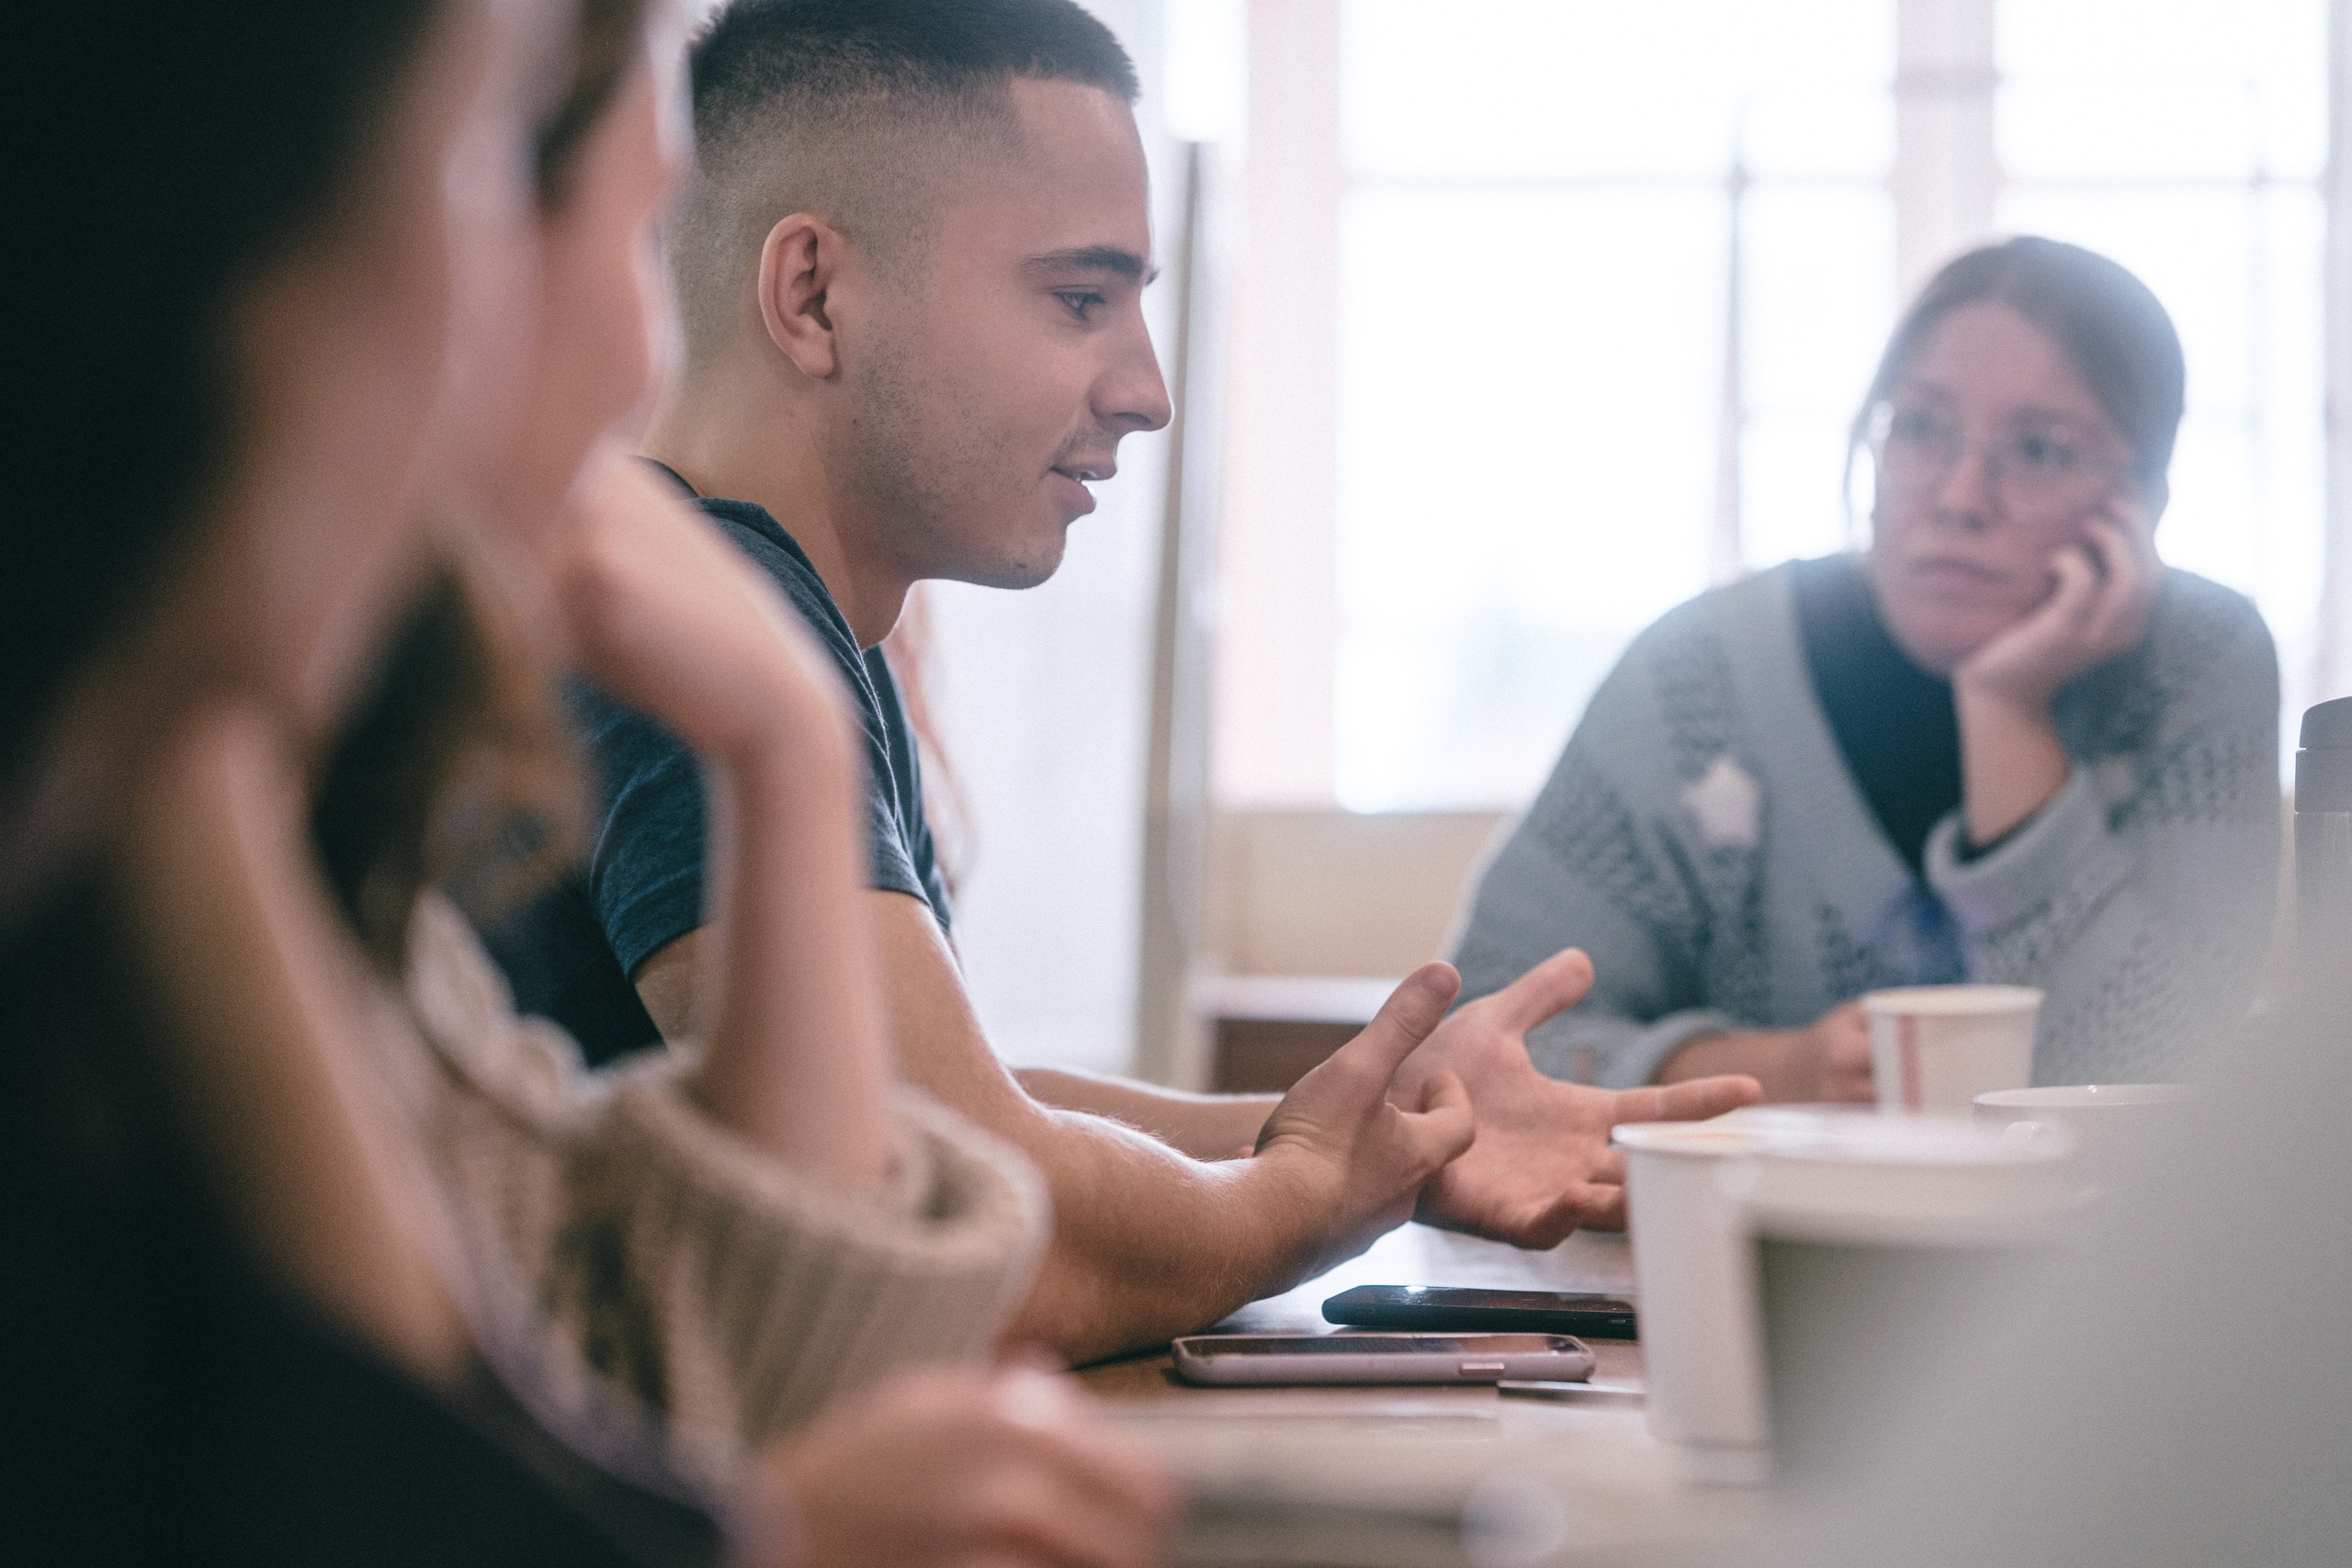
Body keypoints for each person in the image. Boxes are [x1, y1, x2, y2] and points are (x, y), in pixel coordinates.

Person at [2, 0, 1174, 1562]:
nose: (643, 347)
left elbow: (669, 1377)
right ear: (218, 208)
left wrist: (788, 741)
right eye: (506, 169)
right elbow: (770, 1412)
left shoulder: (230, 828)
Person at [487, 0, 1760, 1366]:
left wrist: (1379, 1129)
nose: (1146, 390)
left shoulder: (782, 615)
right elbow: (970, 1243)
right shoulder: (703, 629)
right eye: (1080, 298)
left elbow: (942, 1108)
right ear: (813, 294)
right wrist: (1300, 1199)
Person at [1452, 237, 2280, 1101]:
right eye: (1919, 427)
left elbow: (2176, 1087)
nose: (1960, 497)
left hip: (2102, 1244)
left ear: (2144, 498)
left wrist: (2007, 710)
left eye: (2039, 451)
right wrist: (1769, 1071)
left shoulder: (2195, 665)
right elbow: (1478, 1044)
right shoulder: (1701, 679)